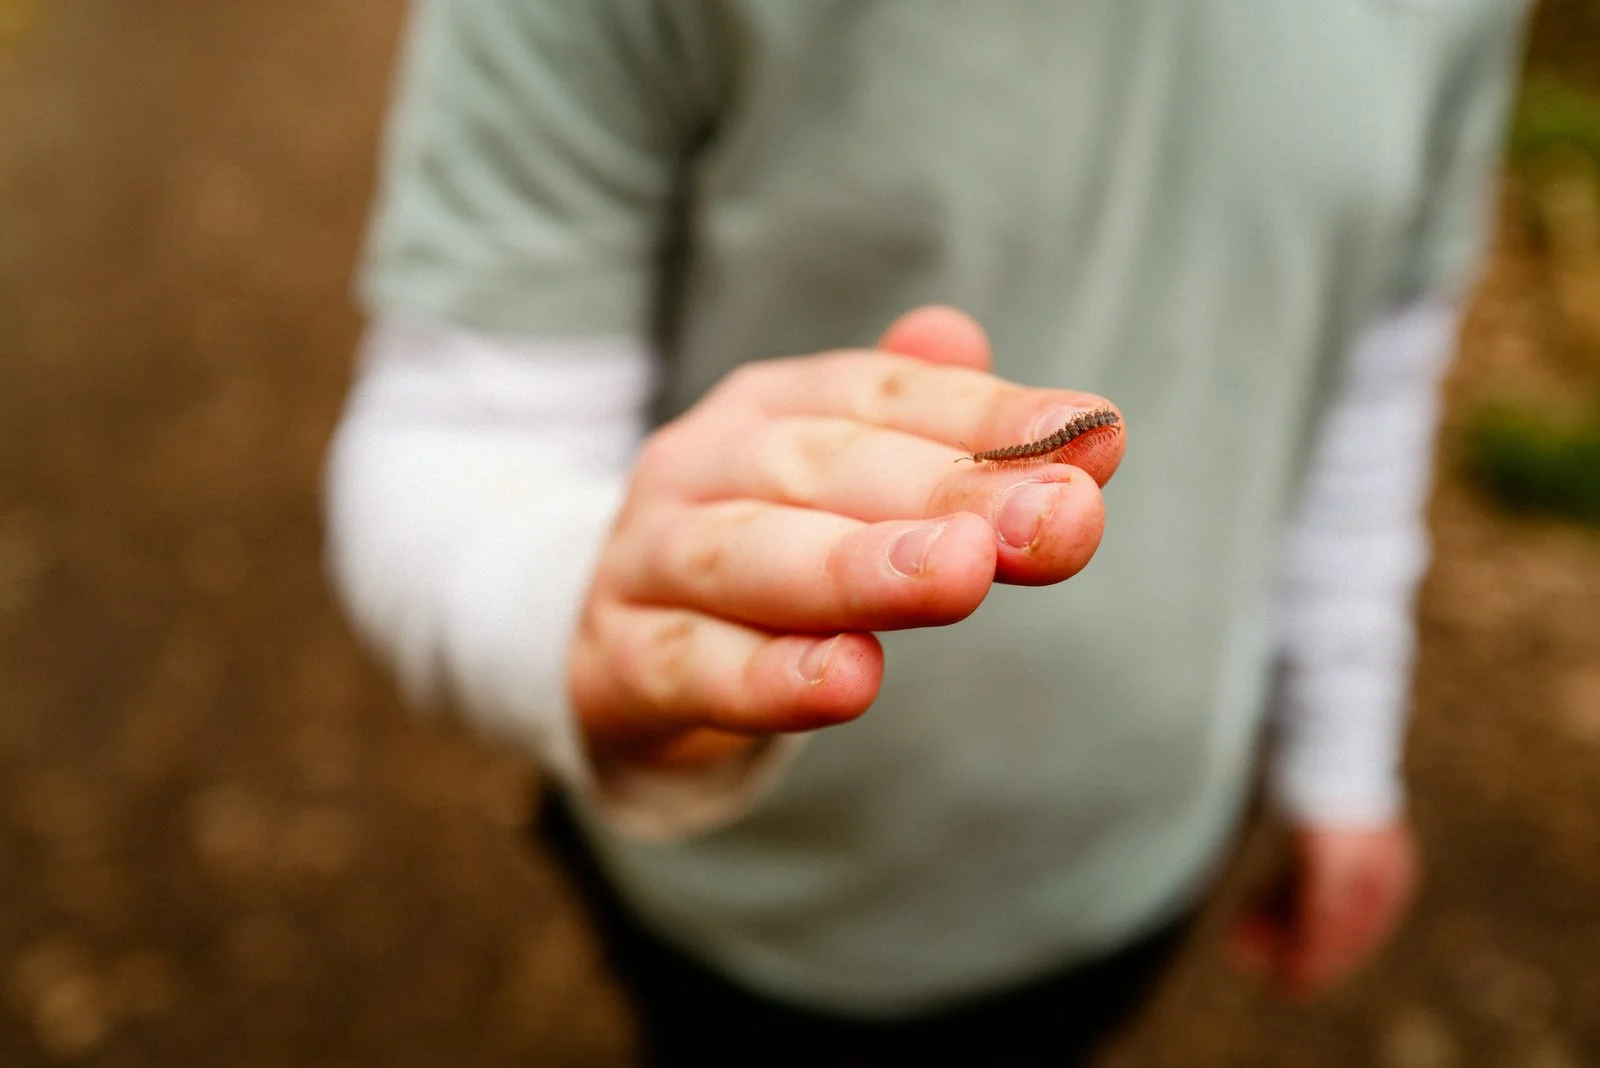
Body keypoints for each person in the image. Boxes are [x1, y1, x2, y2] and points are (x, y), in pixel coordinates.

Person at [323, 2, 1528, 1063]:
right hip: (752, 905)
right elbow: (457, 432)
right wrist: (586, 619)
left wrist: (1340, 754)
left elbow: (1363, 381)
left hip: (1141, 861)